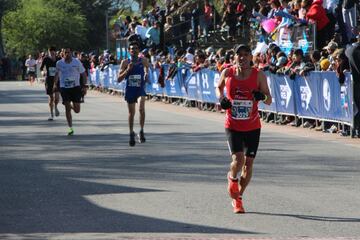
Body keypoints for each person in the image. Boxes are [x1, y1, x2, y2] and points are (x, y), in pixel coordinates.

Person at [216, 44, 272, 214]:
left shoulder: (258, 75)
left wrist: (261, 96)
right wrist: (222, 99)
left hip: (253, 126)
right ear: (235, 57)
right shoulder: (228, 73)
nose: (242, 58)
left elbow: (269, 100)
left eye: (246, 54)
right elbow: (218, 88)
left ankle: (238, 198)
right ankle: (232, 177)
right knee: (238, 160)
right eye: (239, 55)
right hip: (232, 124)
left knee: (248, 164)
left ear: (251, 57)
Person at [117, 42, 150, 146]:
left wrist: (146, 74)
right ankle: (131, 133)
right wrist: (127, 70)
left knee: (141, 108)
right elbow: (118, 79)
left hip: (140, 88)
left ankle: (141, 130)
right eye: (132, 49)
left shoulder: (144, 60)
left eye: (136, 48)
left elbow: (146, 70)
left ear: (138, 50)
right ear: (129, 51)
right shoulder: (125, 62)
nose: (134, 50)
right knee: (131, 113)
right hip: (130, 89)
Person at [53, 48, 87, 135]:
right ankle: (70, 128)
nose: (67, 54)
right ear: (63, 54)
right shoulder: (59, 63)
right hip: (64, 87)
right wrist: (55, 84)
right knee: (67, 108)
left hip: (75, 87)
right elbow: (56, 74)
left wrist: (84, 86)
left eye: (69, 52)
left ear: (71, 53)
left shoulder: (77, 62)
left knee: (77, 110)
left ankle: (72, 105)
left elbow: (83, 74)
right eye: (65, 53)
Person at [40, 46, 60, 121]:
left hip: (57, 80)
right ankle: (51, 113)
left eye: (53, 51)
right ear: (48, 52)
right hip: (49, 80)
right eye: (50, 52)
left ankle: (56, 107)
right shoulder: (46, 59)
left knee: (57, 98)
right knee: (51, 98)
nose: (52, 53)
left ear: (55, 52)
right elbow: (41, 68)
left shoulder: (59, 59)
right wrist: (42, 72)